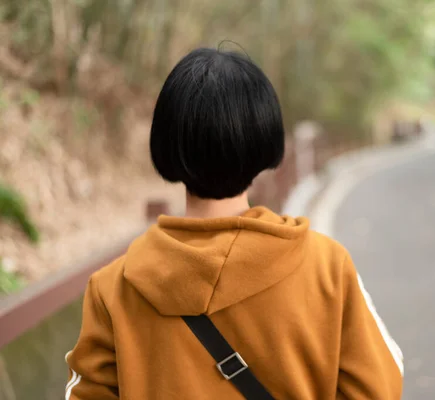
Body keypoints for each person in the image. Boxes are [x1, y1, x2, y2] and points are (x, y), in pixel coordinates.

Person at [65, 48, 404, 399]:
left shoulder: (114, 289)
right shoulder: (326, 268)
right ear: (263, 139)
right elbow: (379, 386)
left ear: (167, 142)